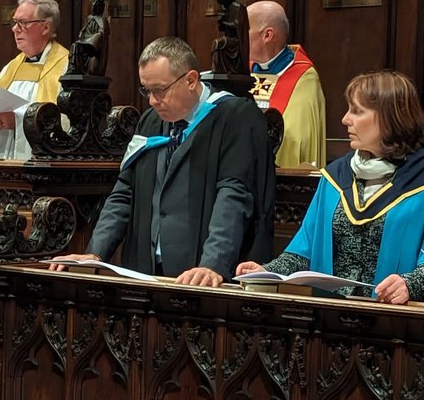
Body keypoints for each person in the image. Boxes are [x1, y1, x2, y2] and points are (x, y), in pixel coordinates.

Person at [237, 71, 424, 303]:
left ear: (389, 118)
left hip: (398, 324)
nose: (345, 119)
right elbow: (303, 252)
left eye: (357, 111)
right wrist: (266, 271)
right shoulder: (335, 178)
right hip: (330, 319)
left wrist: (409, 285)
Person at [53, 37, 275, 286]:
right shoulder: (150, 121)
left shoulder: (234, 118)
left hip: (199, 274)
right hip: (146, 270)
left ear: (191, 80)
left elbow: (234, 194)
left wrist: (213, 264)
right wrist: (94, 254)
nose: (152, 100)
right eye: (146, 90)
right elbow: (124, 191)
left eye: (160, 90)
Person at [0, 0, 69, 160]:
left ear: (45, 27)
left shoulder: (65, 67)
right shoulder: (10, 68)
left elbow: (66, 121)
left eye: (23, 23)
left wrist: (17, 122)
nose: (15, 28)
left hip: (36, 165)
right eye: (15, 22)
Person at [247, 0, 326, 168]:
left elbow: (297, 140)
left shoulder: (304, 77)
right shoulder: (240, 70)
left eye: (245, 29)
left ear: (267, 35)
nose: (237, 37)